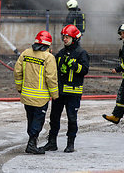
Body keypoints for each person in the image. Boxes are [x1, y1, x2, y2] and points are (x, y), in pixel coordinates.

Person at [43, 24, 90, 153]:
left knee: (72, 118)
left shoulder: (81, 53)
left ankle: (70, 144)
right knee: (54, 118)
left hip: (73, 93)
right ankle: (52, 143)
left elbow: (84, 70)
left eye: (67, 37)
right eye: (64, 36)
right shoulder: (62, 53)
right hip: (59, 92)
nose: (64, 39)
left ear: (74, 39)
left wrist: (74, 65)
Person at [14, 30, 59, 154]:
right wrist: (55, 94)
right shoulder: (48, 57)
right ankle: (32, 144)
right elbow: (51, 77)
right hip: (41, 98)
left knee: (30, 118)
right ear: (48, 45)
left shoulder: (25, 53)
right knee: (38, 120)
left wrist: (19, 87)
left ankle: (31, 141)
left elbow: (17, 71)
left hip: (26, 95)